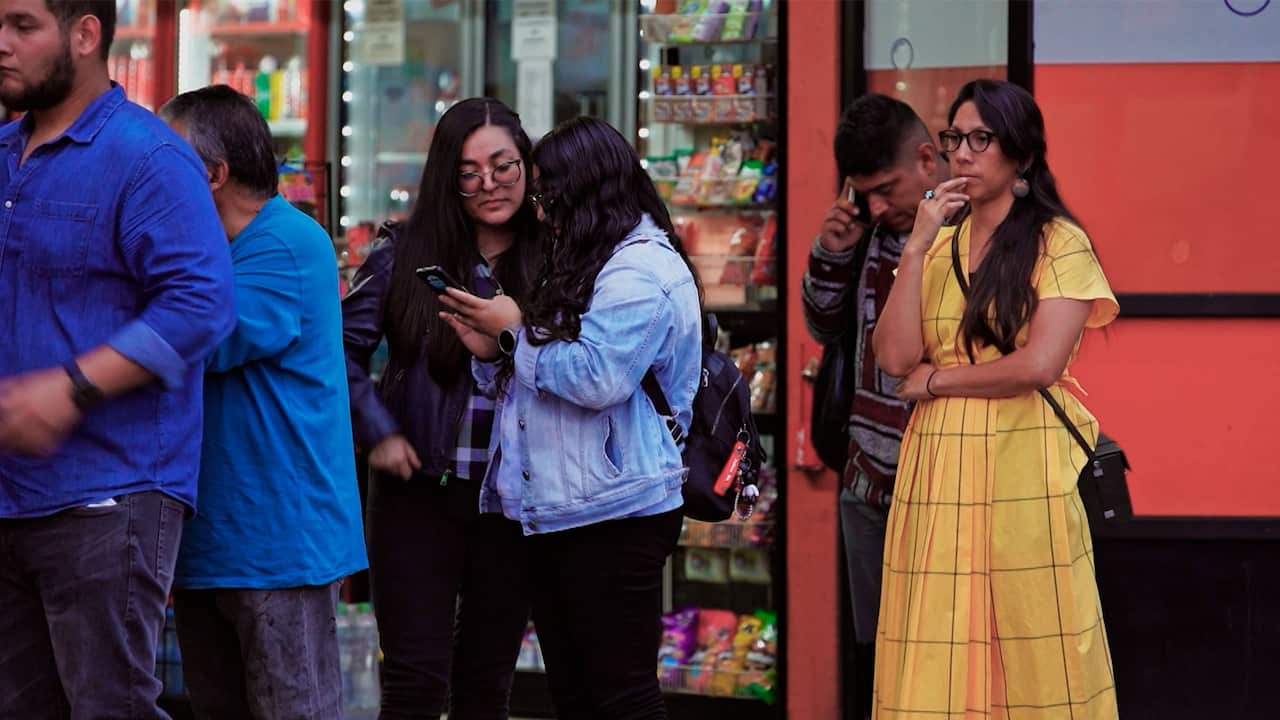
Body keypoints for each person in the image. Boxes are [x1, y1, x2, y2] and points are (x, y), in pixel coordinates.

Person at [0, 1, 236, 717]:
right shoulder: (6, 152)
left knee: (110, 707)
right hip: (12, 494)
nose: (1, 43)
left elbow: (203, 305)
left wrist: (70, 390)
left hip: (110, 495)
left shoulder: (149, 158)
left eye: (21, 25)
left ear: (85, 33)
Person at [438, 116, 701, 720]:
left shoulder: (639, 272)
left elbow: (597, 377)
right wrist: (498, 351)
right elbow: (544, 377)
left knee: (622, 695)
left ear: (587, 191)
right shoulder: (592, 259)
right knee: (579, 696)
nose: (540, 209)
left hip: (618, 511)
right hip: (566, 509)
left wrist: (513, 333)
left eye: (548, 194)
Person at [872, 78, 1119, 718]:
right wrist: (918, 242)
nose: (963, 153)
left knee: (1036, 631)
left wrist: (938, 381)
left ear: (1022, 155)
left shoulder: (1058, 241)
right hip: (940, 463)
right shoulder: (938, 244)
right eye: (956, 138)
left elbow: (1038, 364)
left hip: (1024, 459)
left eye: (983, 139)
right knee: (941, 632)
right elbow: (895, 358)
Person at [156, 85, 367, 720]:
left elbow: (203, 340)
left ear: (213, 175)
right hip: (215, 542)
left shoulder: (286, 242)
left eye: (169, 159)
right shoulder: (215, 247)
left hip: (279, 543)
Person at [342, 97, 540, 719]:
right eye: (469, 171)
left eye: (504, 165)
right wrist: (376, 430)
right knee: (414, 684)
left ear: (527, 164)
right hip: (415, 494)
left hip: (513, 501)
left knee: (487, 688)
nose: (489, 185)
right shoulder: (404, 253)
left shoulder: (555, 258)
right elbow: (334, 353)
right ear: (447, 178)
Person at [802, 93, 950, 719]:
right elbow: (824, 324)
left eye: (887, 188)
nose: (879, 205)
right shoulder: (871, 229)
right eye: (867, 192)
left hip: (944, 478)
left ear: (927, 160)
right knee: (876, 654)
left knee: (943, 657)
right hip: (866, 478)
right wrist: (833, 250)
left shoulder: (968, 232)